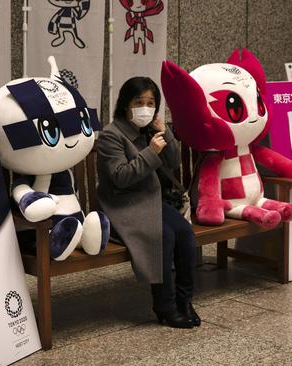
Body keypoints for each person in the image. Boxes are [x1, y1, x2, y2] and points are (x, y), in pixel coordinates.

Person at [96, 77, 199, 328]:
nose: (145, 107)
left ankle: (185, 301)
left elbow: (173, 163)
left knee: (185, 233)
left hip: (150, 200)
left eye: (150, 103)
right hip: (123, 204)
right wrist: (151, 151)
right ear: (125, 104)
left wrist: (166, 133)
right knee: (162, 235)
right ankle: (164, 305)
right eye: (139, 102)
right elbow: (121, 177)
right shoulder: (111, 135)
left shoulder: (150, 131)